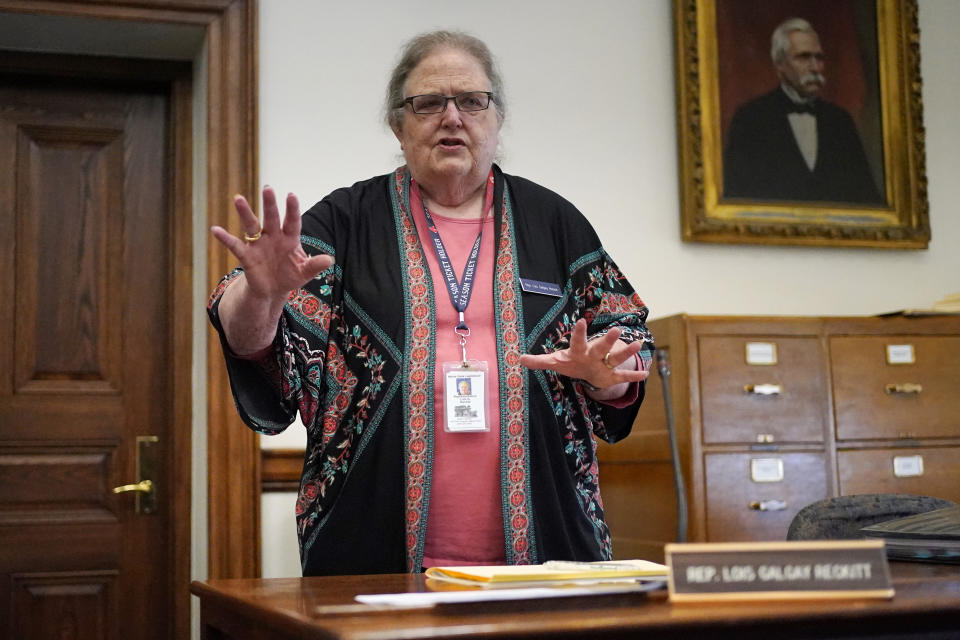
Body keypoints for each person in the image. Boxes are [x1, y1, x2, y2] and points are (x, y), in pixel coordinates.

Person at [208, 30, 654, 576]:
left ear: (497, 118)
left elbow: (627, 347)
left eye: (471, 101)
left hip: (548, 551)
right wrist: (260, 295)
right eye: (428, 103)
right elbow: (256, 346)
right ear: (398, 124)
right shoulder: (346, 221)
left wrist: (606, 377)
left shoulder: (557, 223)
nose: (452, 117)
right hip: (368, 550)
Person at [722, 17, 883, 204]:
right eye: (804, 57)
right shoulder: (750, 119)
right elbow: (737, 196)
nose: (815, 68)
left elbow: (866, 196)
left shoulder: (840, 121)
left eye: (819, 58)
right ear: (779, 65)